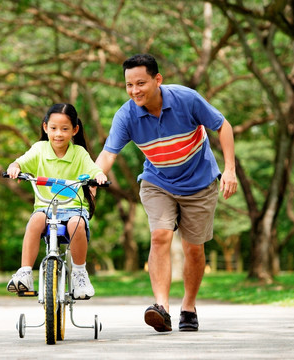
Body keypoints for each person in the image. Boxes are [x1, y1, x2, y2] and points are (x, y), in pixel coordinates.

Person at [95, 54, 237, 332]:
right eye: (128, 85)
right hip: (157, 181)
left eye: (141, 83)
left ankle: (188, 306)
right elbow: (107, 154)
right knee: (160, 236)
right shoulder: (127, 115)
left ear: (157, 79)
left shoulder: (187, 99)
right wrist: (94, 176)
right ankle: (161, 307)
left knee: (193, 249)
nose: (134, 90)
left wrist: (230, 169)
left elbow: (223, 126)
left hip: (200, 182)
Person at [6, 103, 107, 299]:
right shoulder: (39, 149)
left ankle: (79, 273)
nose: (58, 134)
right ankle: (25, 272)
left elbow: (94, 169)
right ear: (45, 127)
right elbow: (21, 161)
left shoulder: (79, 153)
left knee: (76, 223)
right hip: (46, 207)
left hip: (73, 208)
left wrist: (100, 175)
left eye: (65, 129)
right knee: (35, 220)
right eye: (53, 128)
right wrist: (14, 167)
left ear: (75, 130)